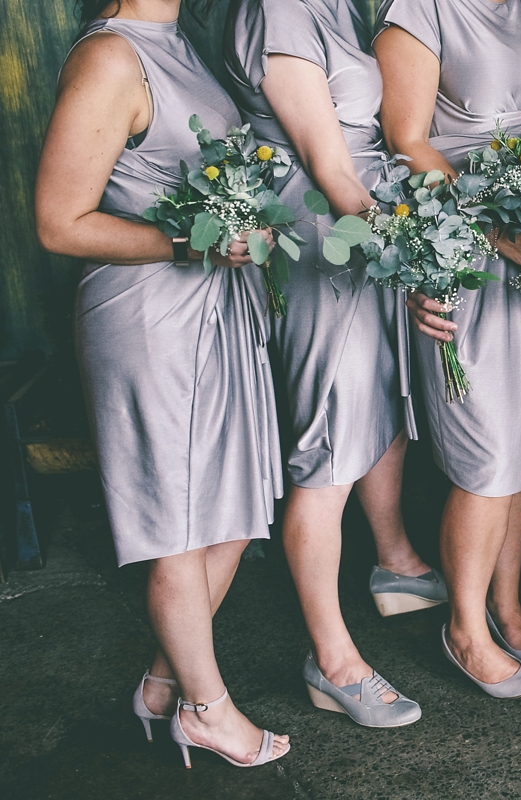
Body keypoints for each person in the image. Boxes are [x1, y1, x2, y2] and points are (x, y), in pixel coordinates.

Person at [36, 0, 288, 768]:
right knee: (176, 524)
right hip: (147, 316)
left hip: (216, 303)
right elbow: (58, 222)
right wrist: (191, 243)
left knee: (234, 513)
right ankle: (207, 709)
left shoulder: (185, 39)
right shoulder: (111, 57)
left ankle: (159, 683)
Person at [224, 0, 438, 728]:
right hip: (324, 231)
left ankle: (395, 564)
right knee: (328, 445)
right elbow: (327, 164)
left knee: (381, 405)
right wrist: (417, 253)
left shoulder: (339, 5)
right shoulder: (278, 11)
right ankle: (332, 658)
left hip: (365, 222)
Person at [374, 0, 521, 699]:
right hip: (467, 250)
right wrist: (494, 232)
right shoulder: (418, 12)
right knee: (487, 450)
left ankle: (508, 603)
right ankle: (464, 627)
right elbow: (406, 140)